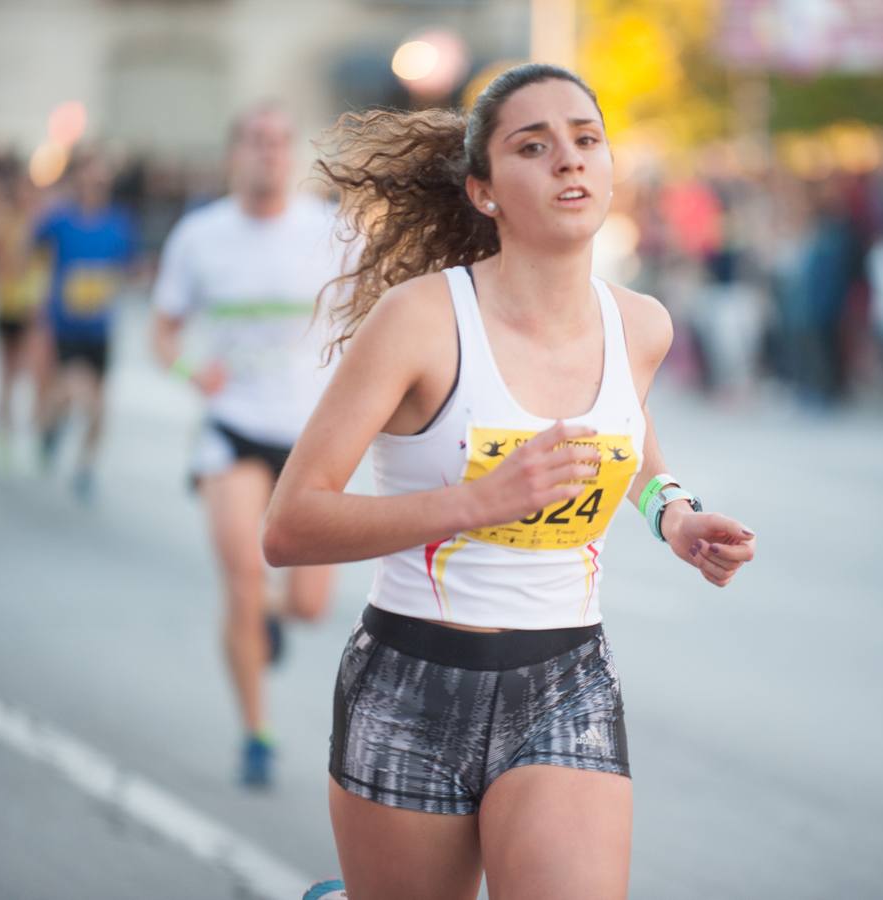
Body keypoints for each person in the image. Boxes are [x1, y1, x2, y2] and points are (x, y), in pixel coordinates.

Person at [261, 64, 757, 899]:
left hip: (567, 680)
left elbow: (631, 446)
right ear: (484, 191)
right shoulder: (420, 320)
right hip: (412, 683)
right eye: (534, 146)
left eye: (585, 140)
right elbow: (290, 526)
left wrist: (674, 514)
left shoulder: (640, 325)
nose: (569, 160)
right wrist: (478, 502)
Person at [151, 102, 344, 788]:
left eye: (279, 142)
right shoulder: (200, 236)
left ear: (291, 154)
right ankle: (256, 733)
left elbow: (373, 320)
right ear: (236, 152)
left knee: (312, 606)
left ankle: (272, 612)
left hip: (312, 439)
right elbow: (163, 332)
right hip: (231, 428)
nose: (269, 152)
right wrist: (189, 371)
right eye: (256, 141)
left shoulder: (327, 231)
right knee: (241, 581)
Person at [34, 145, 136, 501]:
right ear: (77, 178)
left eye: (101, 175)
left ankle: (85, 466)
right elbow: (28, 250)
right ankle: (50, 427)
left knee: (99, 405)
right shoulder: (58, 219)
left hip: (100, 329)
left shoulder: (118, 222)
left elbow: (129, 267)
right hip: (65, 327)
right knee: (78, 392)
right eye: (90, 173)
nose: (96, 181)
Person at [0, 158, 49, 471]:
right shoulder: (6, 221)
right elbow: (0, 262)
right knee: (8, 374)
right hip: (10, 303)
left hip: (35, 306)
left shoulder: (45, 221)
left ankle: (39, 433)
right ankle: (4, 433)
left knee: (38, 371)